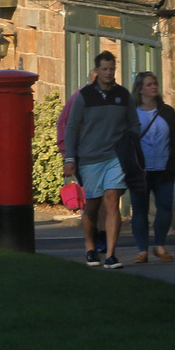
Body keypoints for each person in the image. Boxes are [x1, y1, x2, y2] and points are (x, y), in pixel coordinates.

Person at [63, 50, 139, 269]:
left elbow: (134, 123)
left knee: (112, 199)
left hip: (116, 156)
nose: (108, 73)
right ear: (96, 70)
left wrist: (130, 143)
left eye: (112, 69)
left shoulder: (124, 95)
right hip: (90, 158)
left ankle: (111, 254)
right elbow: (72, 127)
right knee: (93, 205)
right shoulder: (84, 96)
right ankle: (90, 247)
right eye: (104, 69)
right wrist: (70, 157)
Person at [128, 71, 175, 264]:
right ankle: (142, 249)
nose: (154, 87)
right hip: (139, 171)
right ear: (140, 89)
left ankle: (159, 245)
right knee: (140, 210)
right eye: (149, 84)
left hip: (163, 168)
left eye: (155, 84)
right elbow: (125, 138)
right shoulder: (132, 112)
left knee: (165, 206)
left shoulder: (167, 111)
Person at [57, 71, 107, 256]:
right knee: (95, 197)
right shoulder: (79, 98)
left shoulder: (112, 97)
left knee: (103, 196)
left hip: (106, 155)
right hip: (84, 156)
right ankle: (95, 236)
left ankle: (102, 235)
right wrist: (69, 157)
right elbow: (66, 126)